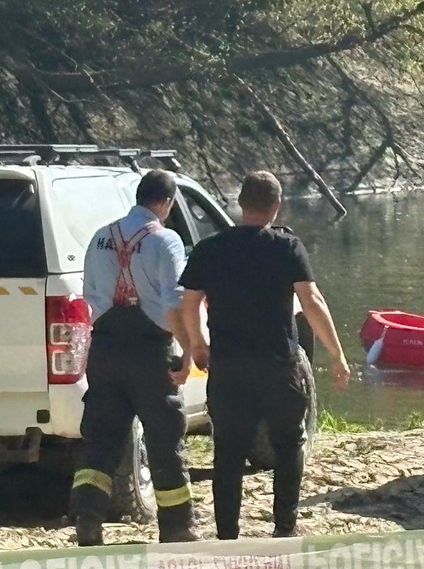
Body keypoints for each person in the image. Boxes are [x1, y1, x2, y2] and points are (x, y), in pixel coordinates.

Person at [179, 171, 351, 540]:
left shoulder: (210, 249)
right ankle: (284, 527)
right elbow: (311, 301)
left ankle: (227, 535)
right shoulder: (287, 247)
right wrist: (336, 354)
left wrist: (197, 344)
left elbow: (189, 302)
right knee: (289, 445)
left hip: (228, 367)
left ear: (240, 204)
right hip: (279, 366)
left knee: (228, 453)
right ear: (276, 206)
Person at [71, 170, 197, 546]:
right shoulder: (166, 240)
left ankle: (87, 519)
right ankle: (176, 527)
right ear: (167, 203)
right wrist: (188, 350)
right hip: (150, 351)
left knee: (101, 438)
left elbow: (89, 295)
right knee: (164, 438)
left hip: (105, 348)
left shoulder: (100, 237)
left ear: (139, 196)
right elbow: (174, 304)